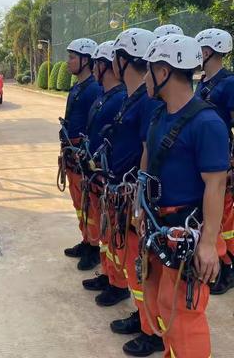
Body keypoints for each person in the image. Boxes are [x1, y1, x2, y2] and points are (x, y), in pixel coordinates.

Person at [141, 34, 229, 357]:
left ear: (163, 71)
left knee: (185, 312)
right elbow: (147, 163)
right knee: (165, 304)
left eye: (150, 69)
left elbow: (215, 185)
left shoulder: (206, 122)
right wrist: (141, 206)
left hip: (188, 232)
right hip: (161, 227)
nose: (145, 76)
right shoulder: (159, 116)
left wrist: (207, 244)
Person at [99, 28, 164, 357]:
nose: (111, 62)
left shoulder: (147, 104)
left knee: (142, 266)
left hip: (132, 195)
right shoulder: (132, 98)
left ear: (124, 60)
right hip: (119, 190)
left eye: (115, 57)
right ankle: (144, 318)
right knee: (130, 259)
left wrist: (138, 196)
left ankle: (152, 330)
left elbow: (146, 152)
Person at [80, 41, 127, 292]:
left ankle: (118, 283)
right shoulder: (104, 96)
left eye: (97, 63)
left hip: (109, 174)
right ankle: (108, 274)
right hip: (97, 172)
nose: (94, 68)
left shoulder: (119, 98)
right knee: (105, 229)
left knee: (113, 231)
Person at [195, 28, 234, 295]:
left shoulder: (229, 83)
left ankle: (228, 267)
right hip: (203, 159)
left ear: (208, 51)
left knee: (225, 219)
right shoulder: (204, 81)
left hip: (222, 161)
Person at [62, 38, 102, 270]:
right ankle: (86, 239)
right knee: (79, 203)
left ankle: (94, 247)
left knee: (90, 204)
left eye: (73, 57)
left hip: (82, 155)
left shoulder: (94, 89)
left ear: (86, 60)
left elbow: (93, 126)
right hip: (71, 152)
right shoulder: (78, 87)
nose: (68, 62)